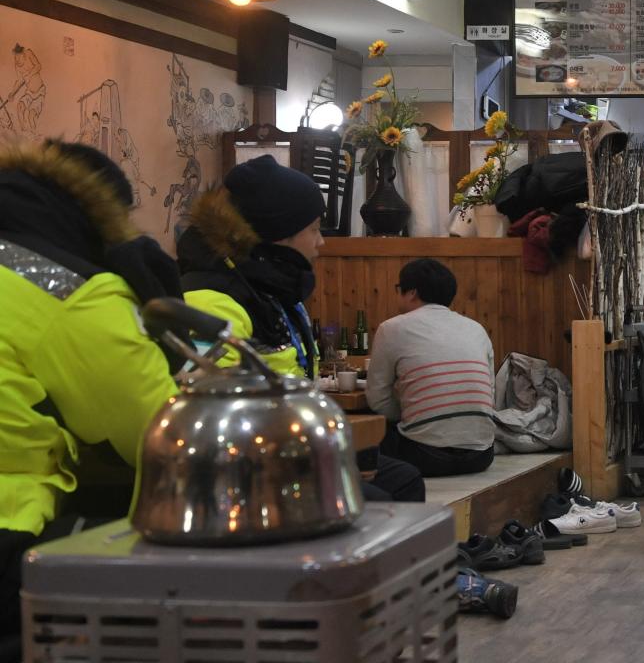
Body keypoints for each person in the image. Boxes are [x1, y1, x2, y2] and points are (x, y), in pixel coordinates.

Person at [0, 140, 183, 652]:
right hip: (9, 536)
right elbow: (160, 433)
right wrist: (150, 294)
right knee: (204, 577)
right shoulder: (67, 287)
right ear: (109, 219)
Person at [176, 154, 423, 502]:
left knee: (401, 477)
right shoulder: (211, 299)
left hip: (293, 446)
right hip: (249, 470)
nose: (321, 242)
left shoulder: (270, 289)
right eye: (313, 229)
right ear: (278, 235)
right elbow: (211, 415)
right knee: (378, 499)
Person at [368, 258, 496, 476]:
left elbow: (377, 400)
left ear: (412, 293)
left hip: (425, 457)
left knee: (370, 431)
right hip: (482, 455)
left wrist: (412, 410)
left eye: (399, 289)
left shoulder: (392, 328)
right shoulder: (477, 329)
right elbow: (490, 392)